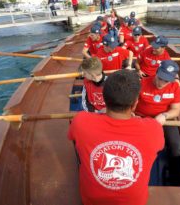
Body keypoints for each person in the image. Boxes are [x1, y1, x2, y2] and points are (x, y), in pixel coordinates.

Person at [68, 69, 165, 205]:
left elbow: (72, 136)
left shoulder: (80, 121)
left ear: (104, 97)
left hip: (91, 200)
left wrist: (99, 114)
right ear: (135, 103)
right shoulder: (153, 129)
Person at [135, 60, 180, 158]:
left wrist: (164, 115)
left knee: (177, 149)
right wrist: (133, 116)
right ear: (156, 72)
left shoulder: (175, 87)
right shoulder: (142, 83)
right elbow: (131, 106)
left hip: (164, 119)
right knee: (139, 144)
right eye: (160, 78)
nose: (161, 83)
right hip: (141, 118)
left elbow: (176, 110)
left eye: (166, 81)